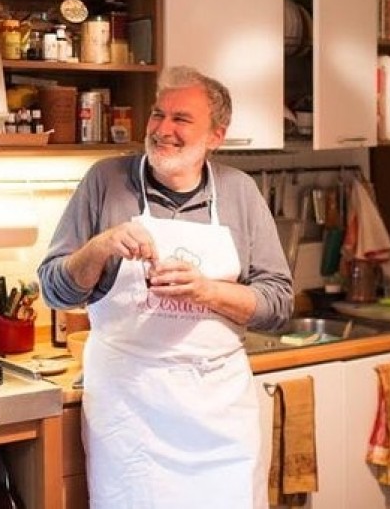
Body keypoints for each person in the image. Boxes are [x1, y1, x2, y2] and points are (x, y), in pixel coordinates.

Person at [38, 66, 293, 509]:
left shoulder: (240, 192)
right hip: (130, 409)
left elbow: (278, 303)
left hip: (219, 412)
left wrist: (207, 291)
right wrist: (98, 248)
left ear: (216, 135)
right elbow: (54, 290)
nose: (163, 129)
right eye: (158, 115)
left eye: (181, 119)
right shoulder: (105, 182)